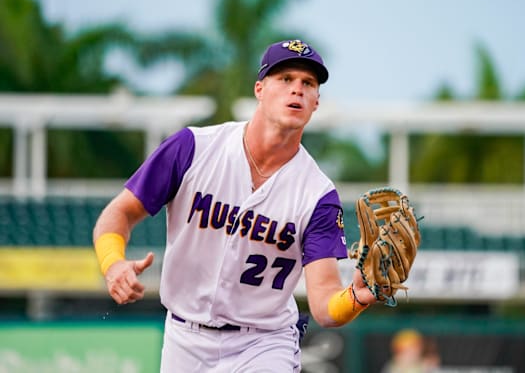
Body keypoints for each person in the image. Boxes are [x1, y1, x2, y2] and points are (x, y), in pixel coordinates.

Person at [93, 39, 380, 372]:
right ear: (260, 89)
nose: (297, 90)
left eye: (308, 83)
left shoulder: (318, 195)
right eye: (285, 79)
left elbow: (324, 305)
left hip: (263, 343)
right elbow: (119, 214)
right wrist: (112, 263)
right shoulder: (193, 148)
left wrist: (356, 297)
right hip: (184, 339)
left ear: (316, 102)